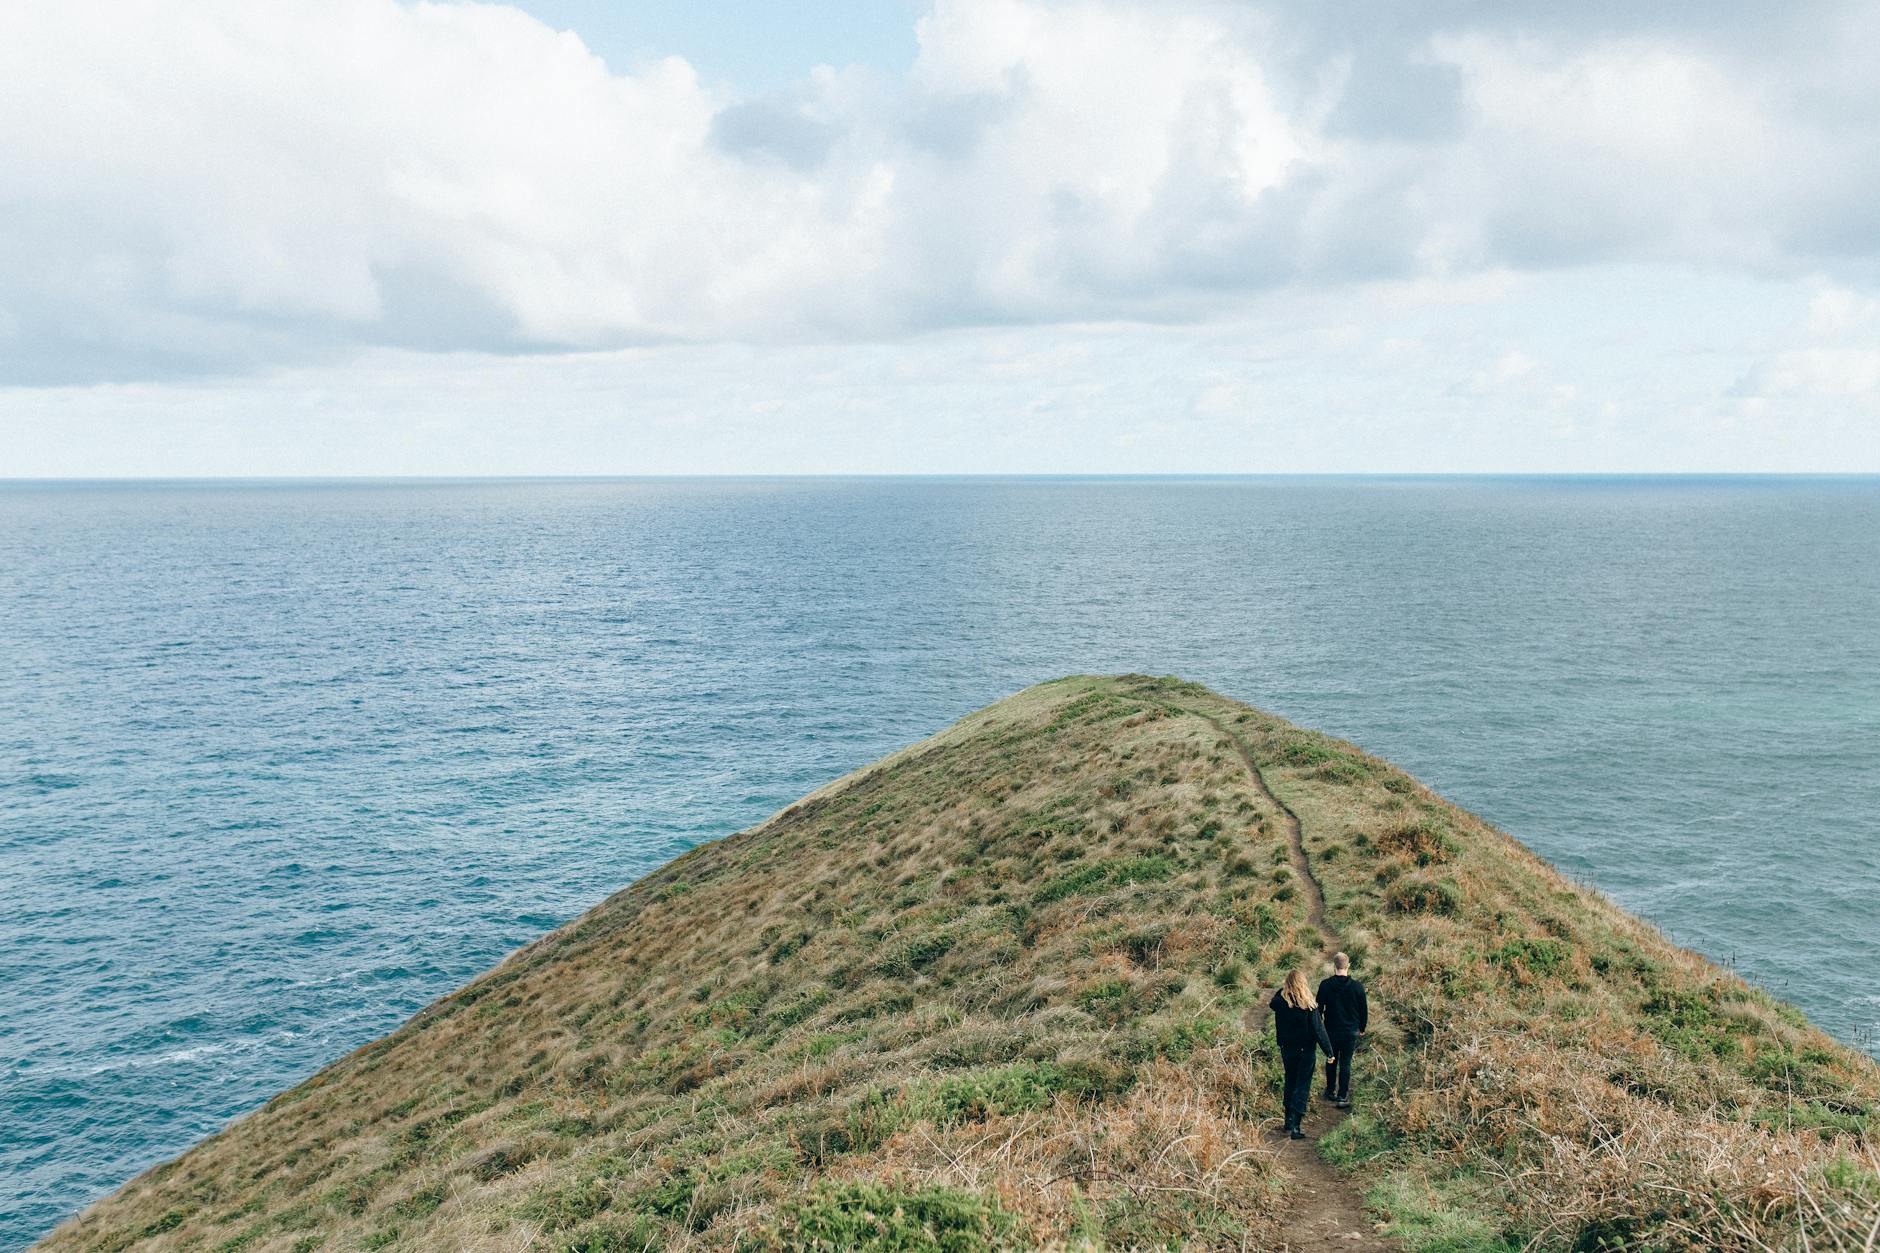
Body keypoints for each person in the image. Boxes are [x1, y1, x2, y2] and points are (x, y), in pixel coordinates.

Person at [1270, 968, 1333, 1139]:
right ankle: (1296, 1127)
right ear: (1303, 983)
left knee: (1290, 1081)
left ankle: (1288, 1120)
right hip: (1306, 1051)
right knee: (1302, 1086)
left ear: (1287, 983)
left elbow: (1273, 1001)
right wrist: (1329, 1052)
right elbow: (1319, 1030)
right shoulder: (1309, 1004)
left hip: (1287, 1050)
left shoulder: (1280, 1002)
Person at [1316, 952, 1368, 1109]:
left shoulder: (1325, 985)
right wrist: (1362, 1028)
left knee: (1331, 1059)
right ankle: (1342, 1095)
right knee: (1346, 1063)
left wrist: (1320, 1027)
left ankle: (1330, 1090)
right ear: (1348, 966)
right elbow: (1363, 1010)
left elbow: (1318, 1009)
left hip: (1330, 1031)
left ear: (1334, 966)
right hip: (1350, 1031)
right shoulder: (1357, 987)